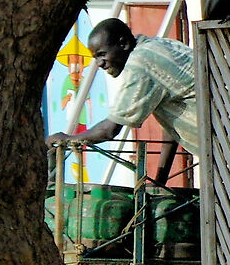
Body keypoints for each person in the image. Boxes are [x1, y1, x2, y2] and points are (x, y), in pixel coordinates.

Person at [48, 18, 200, 172]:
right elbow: (171, 123)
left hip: (219, 141)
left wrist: (69, 139)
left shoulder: (141, 63)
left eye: (102, 54)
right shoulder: (158, 45)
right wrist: (160, 179)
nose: (99, 63)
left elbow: (109, 130)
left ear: (123, 44)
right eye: (96, 58)